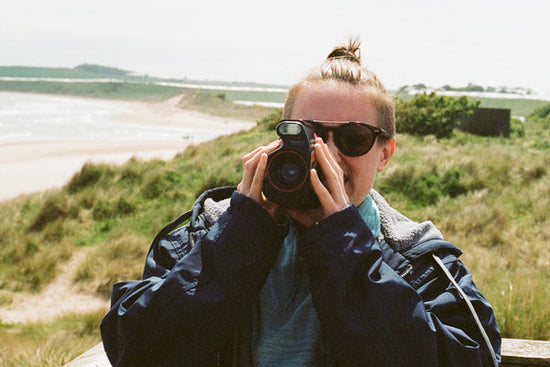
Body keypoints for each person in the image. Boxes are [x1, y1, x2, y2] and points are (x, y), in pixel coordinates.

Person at [100, 39, 501, 366]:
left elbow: (470, 358)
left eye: (354, 138)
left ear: (385, 153)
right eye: (307, 135)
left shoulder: (413, 257)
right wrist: (243, 231)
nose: (326, 154)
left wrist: (342, 244)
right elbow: (134, 348)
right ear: (279, 139)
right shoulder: (210, 230)